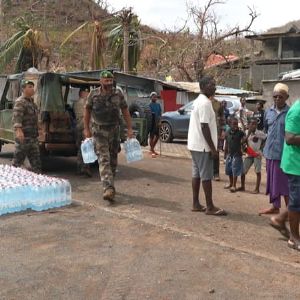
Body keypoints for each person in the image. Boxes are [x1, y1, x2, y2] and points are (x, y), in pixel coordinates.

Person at [84, 70, 133, 202]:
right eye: (106, 81)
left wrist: (129, 128)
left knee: (113, 160)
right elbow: (87, 112)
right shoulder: (93, 94)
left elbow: (125, 110)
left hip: (114, 131)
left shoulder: (118, 93)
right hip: (99, 131)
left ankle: (110, 184)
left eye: (110, 81)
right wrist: (86, 129)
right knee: (103, 159)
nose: (109, 83)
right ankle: (108, 188)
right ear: (100, 81)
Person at [187, 76, 226, 216]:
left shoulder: (198, 101)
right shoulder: (205, 103)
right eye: (212, 84)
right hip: (203, 146)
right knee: (206, 176)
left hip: (195, 145)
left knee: (196, 174)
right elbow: (204, 127)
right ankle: (210, 207)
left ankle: (196, 203)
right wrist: (213, 149)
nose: (214, 87)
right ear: (203, 86)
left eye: (215, 84)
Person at [259, 83, 290, 215]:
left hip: (283, 155)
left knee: (284, 184)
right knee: (272, 182)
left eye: (281, 97)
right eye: (275, 96)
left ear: (286, 97)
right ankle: (275, 207)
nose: (277, 99)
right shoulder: (268, 112)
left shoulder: (290, 113)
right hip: (269, 153)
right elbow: (266, 129)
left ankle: (290, 210)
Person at [280, 99, 300, 250]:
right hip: (295, 164)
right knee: (296, 202)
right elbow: (290, 138)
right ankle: (294, 237)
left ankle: (279, 219)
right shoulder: (296, 111)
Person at [12, 80, 41, 173]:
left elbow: (35, 118)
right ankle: (11, 182)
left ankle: (37, 182)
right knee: (17, 163)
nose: (32, 89)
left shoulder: (32, 103)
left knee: (36, 164)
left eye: (33, 87)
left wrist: (39, 127)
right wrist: (18, 131)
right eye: (29, 87)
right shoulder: (20, 102)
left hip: (33, 138)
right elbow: (17, 117)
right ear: (23, 89)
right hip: (24, 138)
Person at [240, 118, 267, 193]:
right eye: (252, 124)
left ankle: (257, 189)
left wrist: (262, 147)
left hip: (257, 154)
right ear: (248, 125)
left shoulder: (260, 133)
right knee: (243, 171)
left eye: (255, 124)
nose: (253, 126)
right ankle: (242, 186)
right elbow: (242, 142)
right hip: (249, 153)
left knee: (257, 171)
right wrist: (248, 134)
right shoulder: (246, 132)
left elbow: (266, 138)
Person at [73, 87, 91, 177]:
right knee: (85, 148)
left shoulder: (81, 102)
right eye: (85, 92)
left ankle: (81, 169)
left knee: (82, 148)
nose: (87, 94)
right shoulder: (81, 103)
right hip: (83, 126)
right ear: (81, 93)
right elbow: (85, 115)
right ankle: (84, 169)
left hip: (81, 126)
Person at [224, 117, 245, 193]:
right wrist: (225, 153)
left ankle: (234, 185)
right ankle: (230, 183)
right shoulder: (227, 132)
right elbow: (226, 143)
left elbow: (244, 141)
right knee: (229, 169)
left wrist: (243, 147)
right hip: (230, 154)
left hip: (237, 154)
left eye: (236, 124)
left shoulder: (240, 132)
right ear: (230, 124)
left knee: (235, 169)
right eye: (234, 124)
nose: (235, 125)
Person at [211, 97, 225, 181]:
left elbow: (222, 117)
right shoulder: (204, 102)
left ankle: (216, 173)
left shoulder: (218, 103)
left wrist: (222, 130)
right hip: (206, 130)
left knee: (216, 151)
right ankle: (207, 173)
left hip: (216, 130)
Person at [149, 91, 162, 157]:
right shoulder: (149, 105)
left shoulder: (158, 105)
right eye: (153, 96)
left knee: (157, 136)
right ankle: (151, 150)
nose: (154, 98)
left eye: (155, 97)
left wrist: (160, 121)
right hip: (152, 122)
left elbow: (160, 114)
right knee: (151, 136)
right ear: (151, 97)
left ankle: (152, 148)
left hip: (157, 122)